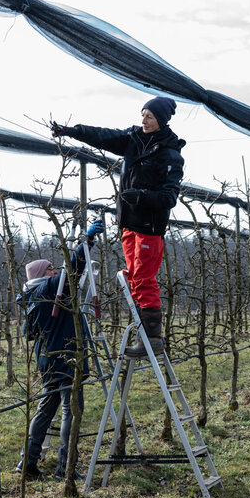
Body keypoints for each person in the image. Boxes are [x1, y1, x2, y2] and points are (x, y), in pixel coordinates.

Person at [51, 96, 185, 357]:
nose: (143, 120)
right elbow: (103, 136)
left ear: (162, 120)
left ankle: (153, 338)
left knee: (144, 278)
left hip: (149, 226)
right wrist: (72, 132)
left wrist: (142, 196)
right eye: (143, 114)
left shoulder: (170, 155)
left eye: (150, 116)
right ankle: (144, 334)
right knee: (135, 278)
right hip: (128, 223)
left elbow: (169, 197)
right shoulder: (133, 139)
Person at [15, 220, 104, 480]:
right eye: (52, 269)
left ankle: (28, 463)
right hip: (66, 357)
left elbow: (28, 333)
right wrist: (85, 241)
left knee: (46, 408)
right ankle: (65, 468)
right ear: (43, 274)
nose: (56, 272)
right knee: (70, 410)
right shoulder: (48, 288)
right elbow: (73, 268)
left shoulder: (30, 298)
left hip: (47, 358)